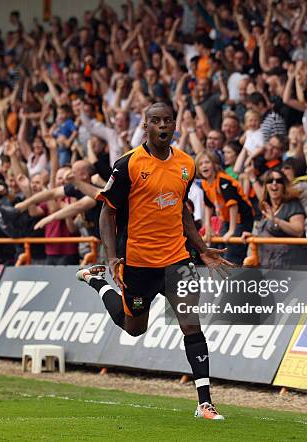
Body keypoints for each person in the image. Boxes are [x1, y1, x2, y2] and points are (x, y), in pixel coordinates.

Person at [76, 103, 232, 420]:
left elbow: (181, 209)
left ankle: (205, 402)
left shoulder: (186, 164)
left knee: (191, 324)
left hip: (176, 259)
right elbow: (108, 212)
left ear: (174, 125)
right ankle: (98, 283)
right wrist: (111, 257)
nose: (162, 125)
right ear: (145, 126)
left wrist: (200, 247)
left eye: (168, 120)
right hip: (138, 261)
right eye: (155, 121)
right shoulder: (128, 165)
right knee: (134, 328)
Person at [242, 169, 307, 269]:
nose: (274, 184)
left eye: (278, 181)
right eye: (270, 181)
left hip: (292, 265)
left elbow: (298, 230)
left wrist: (275, 220)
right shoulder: (267, 207)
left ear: (284, 185)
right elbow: (269, 235)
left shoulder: (292, 204)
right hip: (270, 265)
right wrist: (253, 237)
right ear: (266, 186)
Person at [196, 150, 254, 265]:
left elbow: (233, 205)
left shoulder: (223, 180)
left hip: (242, 219)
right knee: (217, 248)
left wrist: (231, 230)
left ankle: (235, 278)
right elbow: (208, 206)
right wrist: (208, 227)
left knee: (232, 252)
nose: (204, 166)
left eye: (207, 162)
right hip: (226, 219)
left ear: (214, 164)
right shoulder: (204, 183)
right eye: (201, 164)